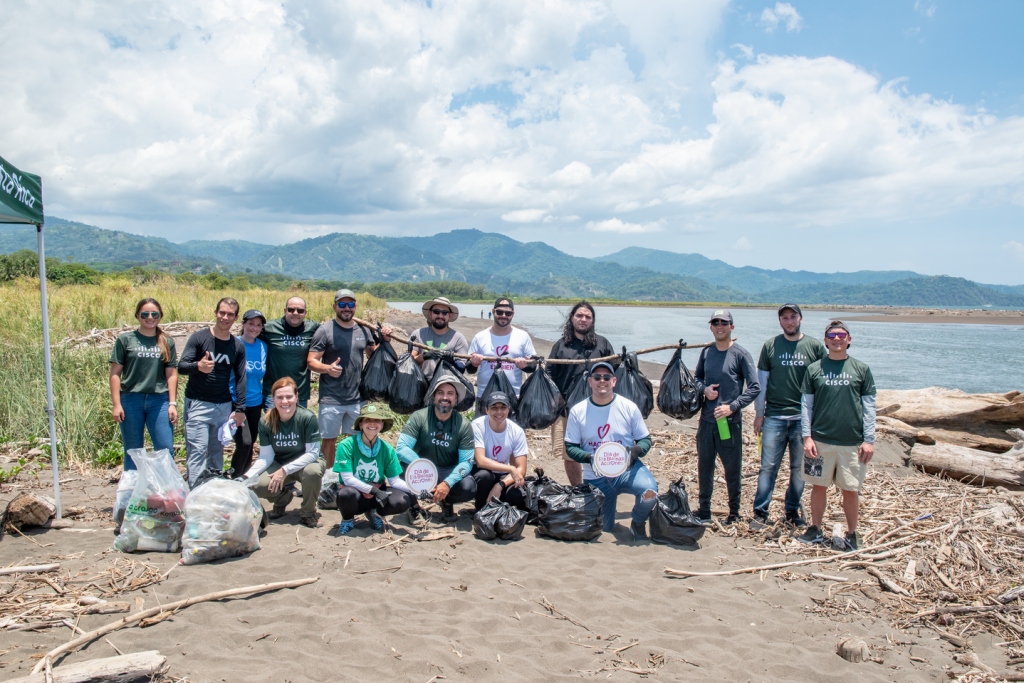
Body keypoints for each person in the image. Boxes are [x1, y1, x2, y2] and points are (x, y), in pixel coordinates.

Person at [796, 321, 876, 551]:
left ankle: (852, 533)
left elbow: (869, 407)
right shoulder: (814, 369)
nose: (837, 338)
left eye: (842, 335)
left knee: (851, 489)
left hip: (851, 443)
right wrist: (807, 437)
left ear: (849, 339)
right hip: (819, 441)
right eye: (832, 335)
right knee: (817, 486)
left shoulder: (861, 369)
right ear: (826, 340)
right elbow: (806, 406)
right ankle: (816, 529)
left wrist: (869, 440)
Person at [750, 304, 826, 530]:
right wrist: (759, 413)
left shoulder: (814, 346)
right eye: (785, 318)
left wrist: (818, 420)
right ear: (780, 322)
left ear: (801, 319)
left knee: (799, 469)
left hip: (803, 419)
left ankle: (792, 510)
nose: (790, 321)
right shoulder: (770, 346)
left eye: (793, 317)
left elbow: (821, 384)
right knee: (768, 467)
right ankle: (760, 512)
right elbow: (761, 382)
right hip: (774, 416)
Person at [564, 361, 655, 540]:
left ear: (614, 381)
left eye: (606, 377)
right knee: (604, 529)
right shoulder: (577, 411)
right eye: (597, 377)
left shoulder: (628, 407)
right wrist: (588, 457)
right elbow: (570, 447)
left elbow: (646, 439)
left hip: (626, 470)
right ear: (590, 381)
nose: (602, 381)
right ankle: (607, 516)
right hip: (596, 476)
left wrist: (638, 450)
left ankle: (638, 523)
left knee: (649, 493)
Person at [307, 289, 393, 474]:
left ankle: (352, 477)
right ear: (335, 306)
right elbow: (311, 361)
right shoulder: (325, 330)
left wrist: (384, 339)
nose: (347, 308)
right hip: (331, 398)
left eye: (351, 304)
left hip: (357, 398)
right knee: (329, 441)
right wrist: (327, 368)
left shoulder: (363, 329)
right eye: (342, 304)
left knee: (355, 440)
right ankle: (328, 478)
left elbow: (373, 353)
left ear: (355, 307)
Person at [693, 309, 759, 525]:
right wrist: (704, 390)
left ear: (732, 327)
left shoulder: (741, 354)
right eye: (715, 322)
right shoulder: (706, 353)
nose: (719, 326)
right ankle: (704, 511)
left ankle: (734, 513)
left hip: (727, 423)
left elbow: (754, 387)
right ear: (711, 327)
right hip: (707, 422)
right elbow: (697, 378)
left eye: (724, 322)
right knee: (705, 467)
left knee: (732, 468)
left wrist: (733, 406)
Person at [178, 298, 247, 487]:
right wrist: (198, 366)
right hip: (198, 402)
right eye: (222, 313)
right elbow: (182, 366)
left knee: (217, 452)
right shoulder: (199, 338)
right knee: (197, 451)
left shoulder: (237, 345)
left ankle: (213, 491)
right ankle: (196, 493)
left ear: (236, 317)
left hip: (223, 406)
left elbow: (241, 378)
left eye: (230, 314)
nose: (225, 317)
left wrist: (240, 409)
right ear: (215, 312)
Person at [549, 301, 615, 486]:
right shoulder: (561, 346)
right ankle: (579, 488)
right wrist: (553, 409)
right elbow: (550, 375)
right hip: (566, 412)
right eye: (579, 315)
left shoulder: (603, 344)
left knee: (601, 449)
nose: (583, 319)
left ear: (593, 320)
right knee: (569, 454)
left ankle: (603, 488)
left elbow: (614, 374)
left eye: (588, 316)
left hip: (600, 410)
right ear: (571, 318)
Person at [246, 377, 325, 528]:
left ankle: (308, 513)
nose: (284, 401)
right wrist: (247, 476)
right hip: (280, 462)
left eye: (289, 397)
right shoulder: (266, 421)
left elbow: (313, 453)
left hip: (306, 462)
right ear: (273, 399)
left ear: (296, 396)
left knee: (312, 472)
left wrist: (285, 470)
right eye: (279, 397)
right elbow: (266, 456)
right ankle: (283, 499)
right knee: (258, 484)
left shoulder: (307, 418)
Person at [109, 298, 178, 470]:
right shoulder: (125, 340)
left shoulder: (166, 342)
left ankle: (166, 493)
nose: (150, 317)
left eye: (154, 314)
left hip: (159, 401)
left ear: (160, 316)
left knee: (165, 449)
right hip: (131, 400)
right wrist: (116, 404)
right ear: (137, 316)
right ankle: (133, 494)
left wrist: (172, 403)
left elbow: (171, 375)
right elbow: (115, 373)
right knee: (133, 451)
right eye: (145, 314)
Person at [396, 376, 476, 522]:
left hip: (448, 470)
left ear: (456, 398)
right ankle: (413, 506)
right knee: (399, 468)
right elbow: (401, 448)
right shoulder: (419, 416)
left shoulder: (464, 425)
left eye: (450, 393)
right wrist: (425, 468)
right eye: (440, 393)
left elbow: (467, 462)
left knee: (468, 487)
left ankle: (446, 501)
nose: (444, 397)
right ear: (433, 396)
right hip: (421, 470)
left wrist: (447, 483)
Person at [331, 403, 414, 534]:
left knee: (403, 500)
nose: (372, 424)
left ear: (381, 425)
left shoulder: (387, 449)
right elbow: (347, 479)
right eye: (367, 420)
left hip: (378, 495)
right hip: (355, 493)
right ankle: (347, 520)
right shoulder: (346, 445)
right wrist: (374, 491)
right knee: (345, 494)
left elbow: (394, 481)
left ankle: (374, 513)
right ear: (360, 425)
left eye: (377, 420)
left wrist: (416, 490)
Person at [467, 298, 536, 415]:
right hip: (485, 395)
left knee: (514, 431)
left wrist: (524, 366)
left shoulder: (523, 336)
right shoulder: (480, 337)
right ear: (493, 311)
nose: (503, 315)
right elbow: (469, 369)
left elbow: (533, 366)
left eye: (508, 313)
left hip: (513, 396)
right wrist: (473, 363)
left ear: (512, 314)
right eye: (499, 312)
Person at [470, 392, 529, 511]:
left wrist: (501, 484)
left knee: (517, 495)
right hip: (481, 472)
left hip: (501, 474)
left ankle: (497, 504)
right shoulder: (478, 425)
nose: (499, 412)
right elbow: (480, 461)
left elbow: (521, 469)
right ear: (486, 410)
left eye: (503, 408)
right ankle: (481, 508)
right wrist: (511, 469)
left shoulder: (517, 431)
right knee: (485, 476)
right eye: (494, 408)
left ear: (509, 409)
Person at [260, 296, 319, 409]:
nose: (295, 313)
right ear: (285, 310)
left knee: (298, 427)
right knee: (274, 427)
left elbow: (331, 331)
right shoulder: (269, 328)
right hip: (273, 394)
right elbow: (248, 334)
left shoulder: (312, 328)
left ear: (305, 313)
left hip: (299, 394)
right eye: (291, 309)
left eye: (300, 310)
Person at [229, 310, 268, 477]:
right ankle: (234, 479)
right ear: (243, 324)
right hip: (236, 403)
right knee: (243, 444)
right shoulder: (233, 343)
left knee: (251, 443)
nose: (254, 328)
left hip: (255, 403)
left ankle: (243, 481)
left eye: (258, 325)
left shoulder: (262, 346)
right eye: (251, 323)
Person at [409, 297, 469, 382]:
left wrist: (452, 362)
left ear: (450, 316)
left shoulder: (458, 338)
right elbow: (410, 361)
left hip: (446, 386)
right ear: (430, 314)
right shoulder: (418, 334)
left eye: (445, 313)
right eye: (436, 312)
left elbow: (462, 369)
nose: (440, 316)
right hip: (420, 384)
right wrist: (424, 356)